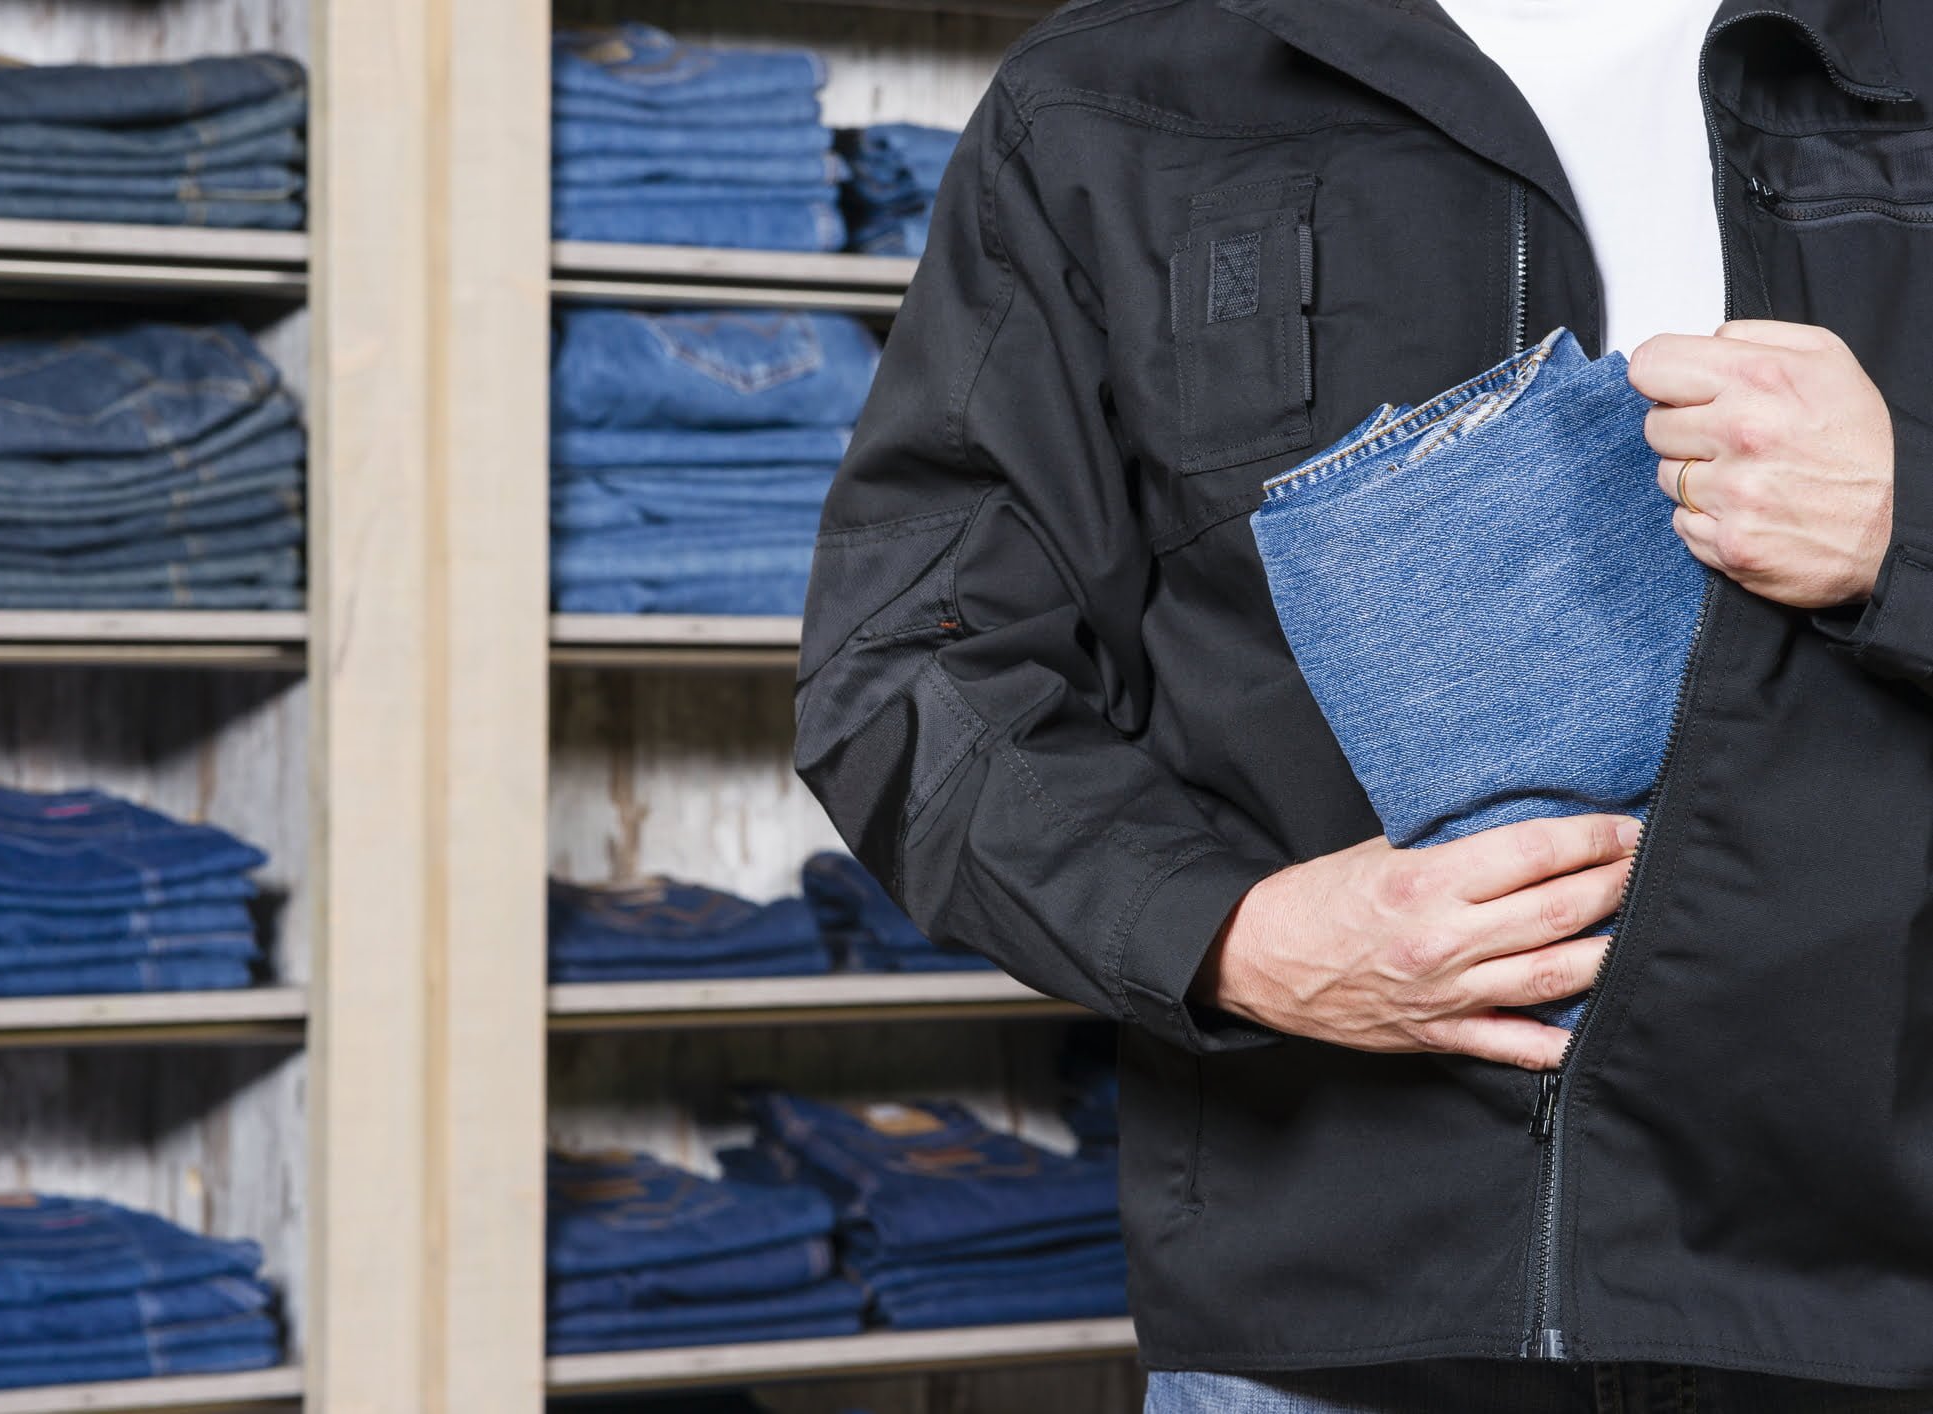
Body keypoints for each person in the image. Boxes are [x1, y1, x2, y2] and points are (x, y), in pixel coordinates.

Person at [793, 0, 1933, 1409]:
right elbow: (906, 660)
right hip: (1330, 1318)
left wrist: (1909, 522)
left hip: (1875, 1303)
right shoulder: (1117, 89)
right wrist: (1232, 934)